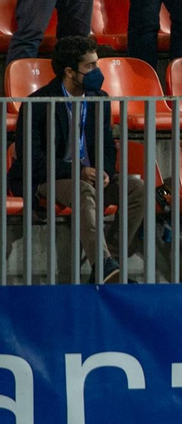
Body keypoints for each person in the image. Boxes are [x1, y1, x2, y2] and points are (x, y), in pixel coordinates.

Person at [7, 36, 143, 283]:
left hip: (88, 177)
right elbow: (32, 158)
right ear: (69, 72)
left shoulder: (98, 99)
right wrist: (79, 170)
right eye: (90, 66)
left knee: (136, 189)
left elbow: (107, 146)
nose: (97, 72)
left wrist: (105, 171)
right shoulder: (38, 103)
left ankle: (109, 259)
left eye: (97, 64)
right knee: (82, 189)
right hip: (50, 177)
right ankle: (102, 264)